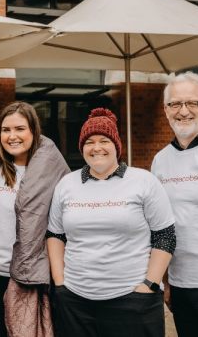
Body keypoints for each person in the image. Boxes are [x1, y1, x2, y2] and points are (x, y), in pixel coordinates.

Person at [47, 108, 176, 337]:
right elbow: (55, 235)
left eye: (104, 140)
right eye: (89, 142)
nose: (96, 147)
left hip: (133, 300)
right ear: (81, 148)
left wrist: (149, 284)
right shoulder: (66, 184)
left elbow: (165, 236)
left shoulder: (144, 181)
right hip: (75, 301)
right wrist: (60, 282)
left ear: (116, 145)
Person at [0, 101, 70, 337]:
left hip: (30, 278)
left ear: (33, 131)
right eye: (6, 130)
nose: (12, 136)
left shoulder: (53, 171)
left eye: (20, 129)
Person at [151, 72, 198, 337]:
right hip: (180, 285)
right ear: (166, 110)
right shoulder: (160, 160)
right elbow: (161, 225)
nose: (183, 111)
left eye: (191, 103)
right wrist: (166, 281)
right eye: (175, 104)